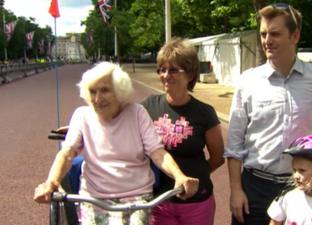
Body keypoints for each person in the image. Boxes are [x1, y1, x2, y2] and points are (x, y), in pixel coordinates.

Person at [33, 62, 199, 225]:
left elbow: (157, 152)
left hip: (136, 198)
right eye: (92, 92)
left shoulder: (137, 113)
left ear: (120, 91)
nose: (97, 99)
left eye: (105, 90)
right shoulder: (82, 115)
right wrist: (51, 182)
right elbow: (67, 153)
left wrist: (179, 176)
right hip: (94, 198)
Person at [224, 3, 312, 225]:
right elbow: (234, 144)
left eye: (275, 33)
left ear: (295, 36)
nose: (267, 40)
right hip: (255, 189)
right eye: (263, 34)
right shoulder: (247, 81)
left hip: (300, 188)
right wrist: (235, 191)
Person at [141, 38, 225, 225]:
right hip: (159, 200)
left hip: (196, 203)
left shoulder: (205, 112)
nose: (165, 75)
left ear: (189, 74)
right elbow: (119, 120)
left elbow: (218, 157)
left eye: (173, 70)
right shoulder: (148, 106)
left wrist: (197, 176)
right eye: (162, 69)